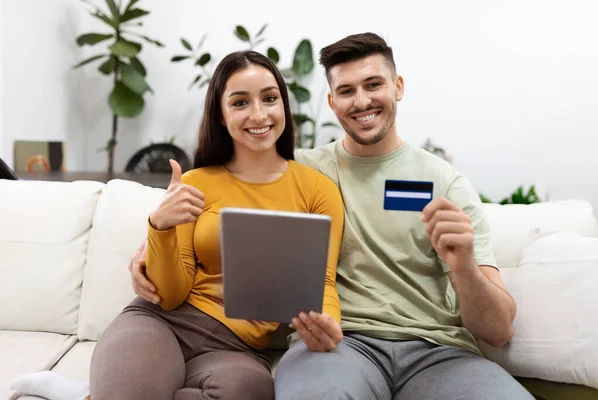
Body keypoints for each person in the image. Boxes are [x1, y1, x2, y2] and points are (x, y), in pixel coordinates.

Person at [134, 32, 533, 399]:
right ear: (331, 102)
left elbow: (499, 331)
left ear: (398, 87)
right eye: (346, 90)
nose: (361, 101)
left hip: (439, 352)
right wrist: (146, 250)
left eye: (373, 84)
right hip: (338, 346)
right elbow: (222, 200)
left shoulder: (446, 183)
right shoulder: (303, 173)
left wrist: (463, 266)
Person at [8, 50, 344, 400]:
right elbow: (170, 294)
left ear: (283, 106)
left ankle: (91, 395)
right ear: (220, 114)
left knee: (253, 391)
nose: (258, 114)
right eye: (240, 102)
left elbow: (321, 279)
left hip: (237, 350)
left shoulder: (317, 190)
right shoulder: (194, 182)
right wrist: (159, 226)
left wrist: (327, 323)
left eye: (270, 99)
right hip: (162, 323)